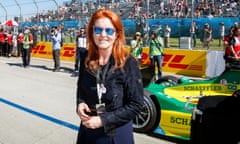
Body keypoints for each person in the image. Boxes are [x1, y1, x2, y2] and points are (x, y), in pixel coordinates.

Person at [76, 8, 143, 144]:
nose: (103, 35)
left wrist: (103, 120)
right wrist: (80, 103)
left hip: (116, 132)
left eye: (109, 30)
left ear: (117, 34)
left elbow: (136, 104)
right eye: (98, 30)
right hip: (88, 128)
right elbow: (81, 89)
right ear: (92, 32)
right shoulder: (86, 58)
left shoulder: (129, 62)